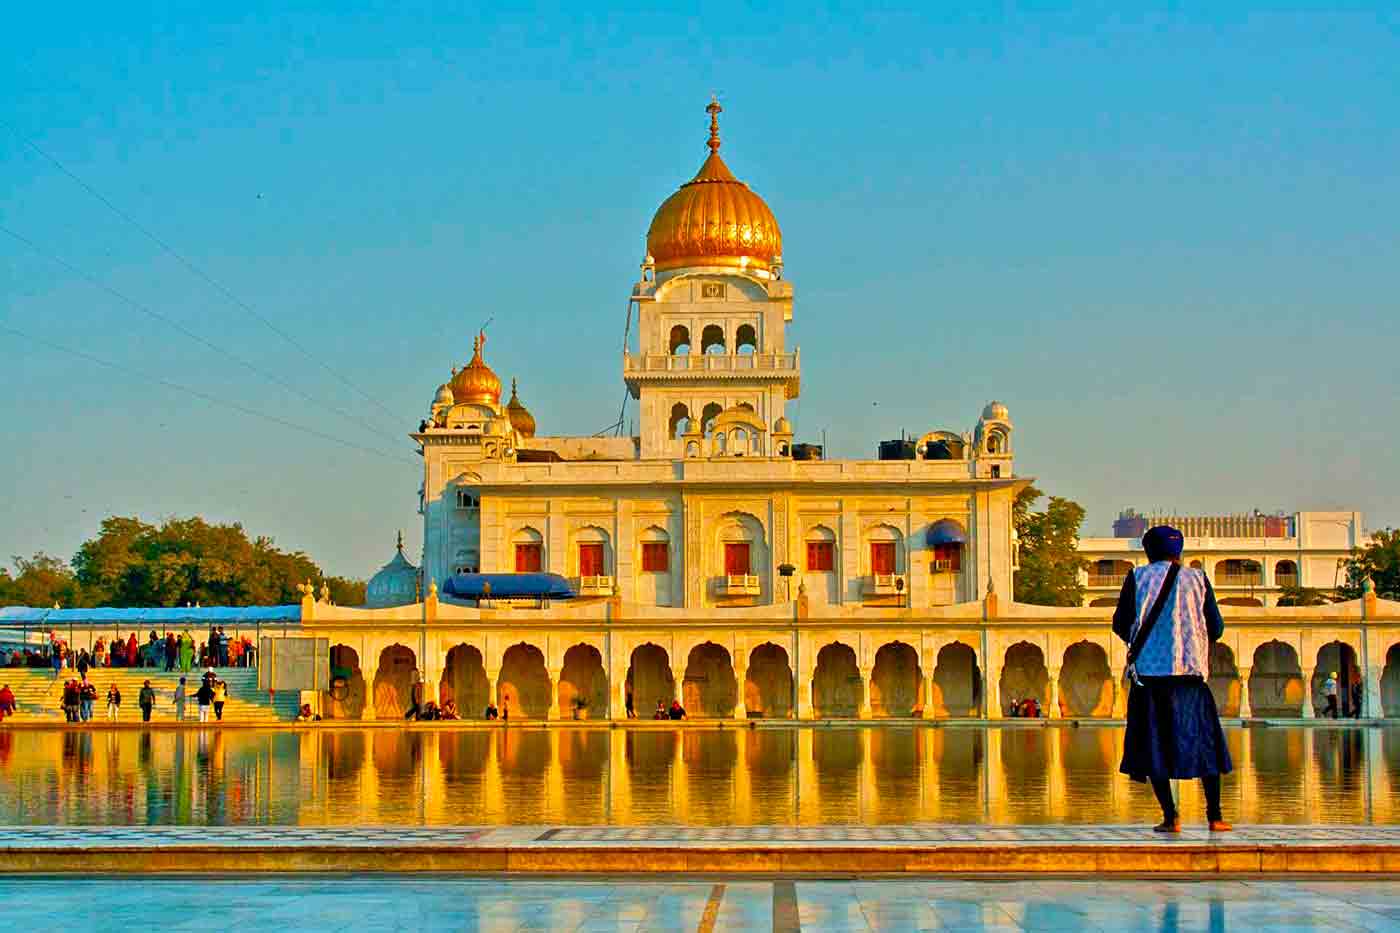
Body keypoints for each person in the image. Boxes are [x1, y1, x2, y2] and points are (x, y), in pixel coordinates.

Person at [1114, 525, 1233, 833]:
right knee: (1205, 745)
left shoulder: (1138, 578)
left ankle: (1171, 817)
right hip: (1191, 677)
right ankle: (1215, 817)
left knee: (1154, 747)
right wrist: (1195, 639)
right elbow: (1217, 627)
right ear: (1179, 550)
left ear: (1148, 550)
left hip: (1151, 678)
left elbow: (1120, 623)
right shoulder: (1198, 579)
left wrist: (1142, 641)